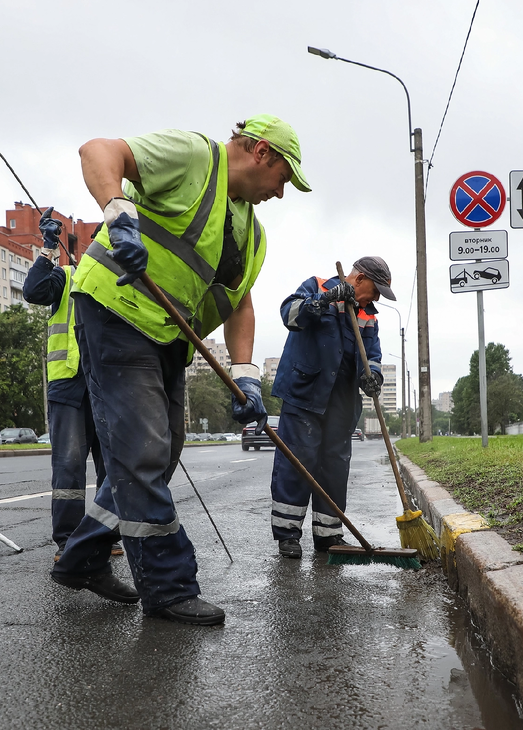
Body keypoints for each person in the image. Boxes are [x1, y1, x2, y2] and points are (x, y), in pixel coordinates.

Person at [51, 114, 310, 625]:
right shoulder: (195, 156)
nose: (281, 194)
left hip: (169, 337)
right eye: (284, 178)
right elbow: (97, 151)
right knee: (143, 452)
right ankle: (168, 588)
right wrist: (119, 214)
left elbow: (241, 307)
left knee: (162, 453)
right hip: (117, 311)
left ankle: (81, 557)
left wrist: (246, 375)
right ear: (260, 152)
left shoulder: (252, 235)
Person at [268, 257, 393, 559]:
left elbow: (372, 353)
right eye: (375, 291)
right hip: (305, 394)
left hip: (341, 403)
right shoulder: (316, 287)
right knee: (297, 464)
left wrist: (373, 374)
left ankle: (328, 535)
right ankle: (287, 535)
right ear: (360, 279)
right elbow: (289, 315)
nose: (375, 299)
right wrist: (325, 299)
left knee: (334, 468)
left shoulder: (367, 314)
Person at [21, 212, 116, 563]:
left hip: (107, 386)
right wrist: (47, 248)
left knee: (114, 466)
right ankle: (68, 542)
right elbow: (33, 291)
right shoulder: (68, 275)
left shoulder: (122, 281)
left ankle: (107, 535)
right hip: (69, 384)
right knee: (69, 466)